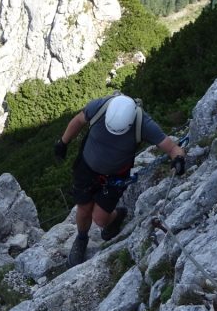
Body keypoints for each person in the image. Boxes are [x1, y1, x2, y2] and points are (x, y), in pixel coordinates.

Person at [54, 94, 186, 266]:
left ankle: (117, 216)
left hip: (115, 177)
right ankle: (81, 238)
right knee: (84, 208)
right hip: (86, 168)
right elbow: (79, 120)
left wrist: (178, 159)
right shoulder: (100, 107)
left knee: (100, 220)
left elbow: (172, 147)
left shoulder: (142, 124)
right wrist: (63, 142)